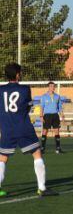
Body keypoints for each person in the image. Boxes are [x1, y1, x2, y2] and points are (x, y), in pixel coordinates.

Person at [0, 63, 57, 197]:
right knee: (37, 154)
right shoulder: (25, 89)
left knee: (2, 158)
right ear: (18, 75)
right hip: (23, 127)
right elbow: (27, 107)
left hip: (7, 128)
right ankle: (42, 188)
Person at [40, 81, 64, 154]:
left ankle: (58, 148)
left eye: (53, 86)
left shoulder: (57, 96)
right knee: (45, 131)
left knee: (57, 131)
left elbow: (59, 107)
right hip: (47, 116)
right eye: (51, 86)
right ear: (48, 87)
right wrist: (41, 116)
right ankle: (42, 148)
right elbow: (42, 107)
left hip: (55, 115)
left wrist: (62, 115)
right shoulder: (44, 96)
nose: (52, 88)